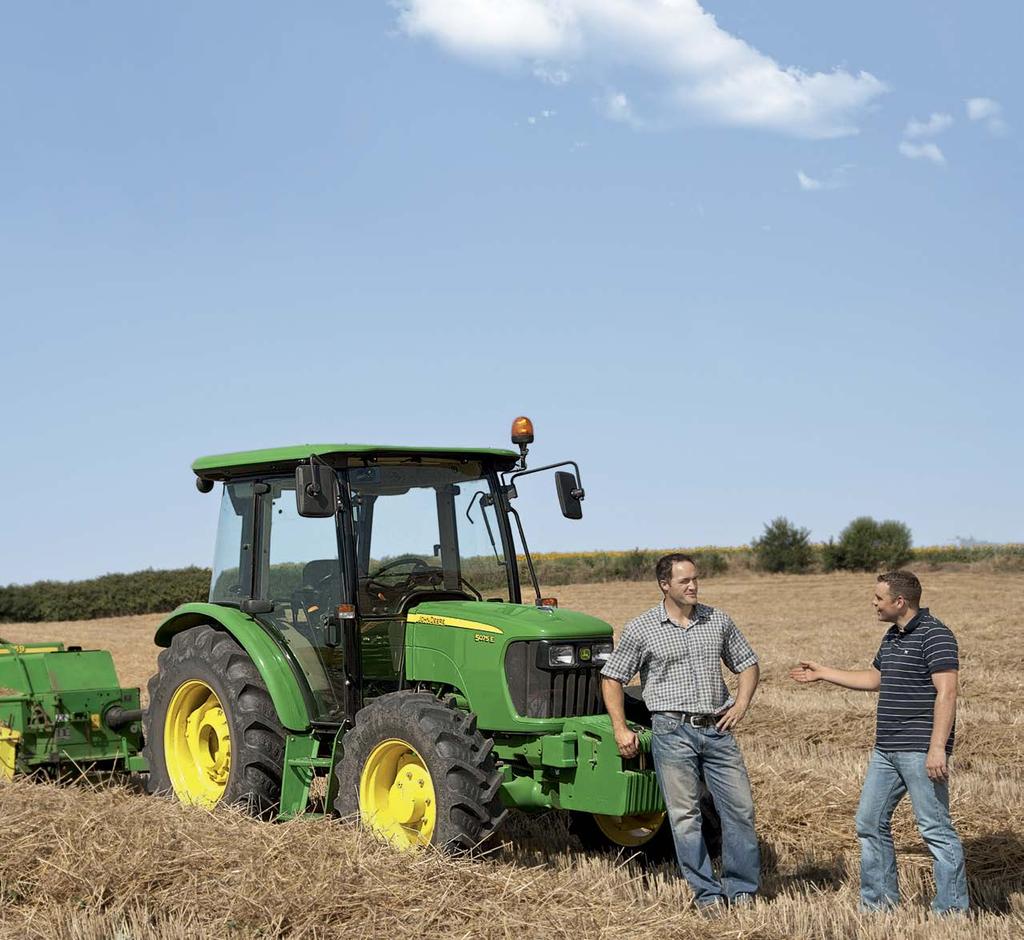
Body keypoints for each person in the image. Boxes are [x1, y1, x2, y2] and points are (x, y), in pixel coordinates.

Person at [789, 570, 969, 914]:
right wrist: (824, 673)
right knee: (869, 822)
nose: (873, 603)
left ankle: (952, 911)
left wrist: (936, 747)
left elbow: (947, 693)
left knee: (934, 828)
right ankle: (879, 906)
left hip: (920, 749)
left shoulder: (936, 635)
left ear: (899, 601)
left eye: (878, 598)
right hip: (886, 749)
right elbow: (876, 679)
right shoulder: (893, 636)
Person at [600, 553, 761, 910]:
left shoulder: (717, 620)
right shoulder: (642, 628)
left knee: (740, 810)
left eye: (695, 579)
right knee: (685, 817)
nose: (693, 586)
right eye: (684, 581)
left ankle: (742, 890)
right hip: (671, 731)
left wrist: (741, 704)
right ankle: (707, 895)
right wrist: (619, 728)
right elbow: (611, 678)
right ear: (665, 585)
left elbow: (748, 663)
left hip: (717, 730)